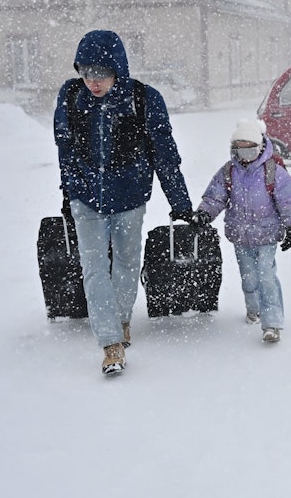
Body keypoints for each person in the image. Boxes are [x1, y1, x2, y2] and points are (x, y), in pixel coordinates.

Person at [54, 30, 193, 375]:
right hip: (85, 198)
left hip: (129, 197)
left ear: (118, 68)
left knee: (128, 262)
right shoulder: (72, 97)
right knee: (94, 267)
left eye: (100, 72)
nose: (92, 81)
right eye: (85, 72)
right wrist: (69, 192)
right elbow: (65, 150)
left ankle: (122, 318)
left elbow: (165, 156)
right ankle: (110, 342)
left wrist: (181, 203)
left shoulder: (144, 100)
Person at [193, 119, 291, 343]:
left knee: (266, 276)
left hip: (267, 235)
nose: (245, 156)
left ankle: (272, 322)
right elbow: (215, 197)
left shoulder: (273, 172)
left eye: (250, 150)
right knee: (249, 278)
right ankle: (254, 310)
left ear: (260, 147)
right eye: (239, 150)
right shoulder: (228, 172)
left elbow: (288, 199)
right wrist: (205, 213)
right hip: (240, 236)